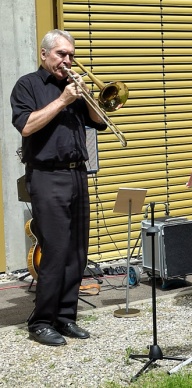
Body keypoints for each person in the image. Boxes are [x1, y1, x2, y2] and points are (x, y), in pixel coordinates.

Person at [10, 29, 108, 346]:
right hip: (47, 175)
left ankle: (66, 317)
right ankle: (41, 321)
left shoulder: (74, 87)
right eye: (61, 54)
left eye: (70, 55)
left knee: (77, 252)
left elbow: (101, 120)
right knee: (53, 252)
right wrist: (63, 99)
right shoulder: (28, 85)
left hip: (77, 174)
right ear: (44, 54)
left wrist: (86, 95)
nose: (67, 60)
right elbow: (26, 125)